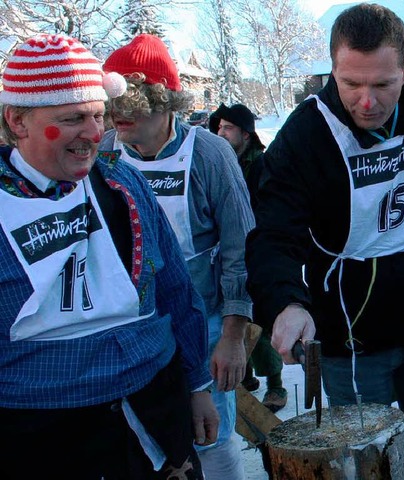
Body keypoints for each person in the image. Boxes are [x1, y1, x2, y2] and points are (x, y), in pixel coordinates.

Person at [245, 4, 404, 479]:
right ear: (333, 70)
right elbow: (273, 232)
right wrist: (286, 302)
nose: (367, 101)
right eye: (351, 84)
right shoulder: (305, 134)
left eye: (383, 84)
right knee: (365, 466)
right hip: (350, 335)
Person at [0, 34, 218, 479]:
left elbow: (176, 288)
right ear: (17, 121)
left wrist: (197, 383)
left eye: (99, 116)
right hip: (41, 432)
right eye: (74, 118)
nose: (95, 134)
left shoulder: (123, 183)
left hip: (155, 409)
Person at [100, 34, 253, 480]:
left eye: (132, 102)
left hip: (204, 321)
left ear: (164, 101)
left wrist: (233, 333)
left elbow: (241, 246)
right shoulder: (105, 154)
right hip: (134, 327)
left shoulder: (208, 153)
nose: (118, 116)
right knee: (149, 441)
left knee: (212, 431)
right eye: (113, 105)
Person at [210, 102, 287, 413]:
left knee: (261, 318)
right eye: (218, 128)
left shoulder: (261, 165)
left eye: (227, 128)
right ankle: (247, 377)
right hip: (229, 250)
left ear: (245, 133)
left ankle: (276, 383)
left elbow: (270, 209)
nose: (220, 133)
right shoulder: (220, 161)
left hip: (258, 250)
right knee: (235, 313)